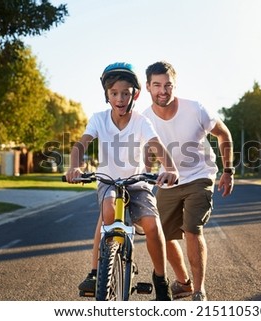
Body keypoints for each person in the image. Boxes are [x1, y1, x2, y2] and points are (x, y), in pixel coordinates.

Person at [65, 62, 179, 301]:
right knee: (107, 212)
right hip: (108, 182)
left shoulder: (140, 121)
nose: (120, 98)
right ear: (106, 94)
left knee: (151, 224)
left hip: (137, 183)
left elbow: (156, 145)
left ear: (134, 94)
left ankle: (160, 279)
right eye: (114, 93)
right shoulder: (98, 119)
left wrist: (170, 167)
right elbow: (81, 144)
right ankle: (99, 271)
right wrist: (74, 165)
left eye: (125, 93)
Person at [143, 61, 234, 301]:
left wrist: (228, 171)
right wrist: (144, 175)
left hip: (200, 175)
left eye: (168, 85)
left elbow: (224, 134)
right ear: (148, 87)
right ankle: (183, 282)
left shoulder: (195, 109)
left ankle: (198, 290)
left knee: (192, 229)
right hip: (168, 180)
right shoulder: (144, 118)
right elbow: (148, 153)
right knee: (163, 235)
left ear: (175, 85)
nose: (163, 91)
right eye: (157, 85)